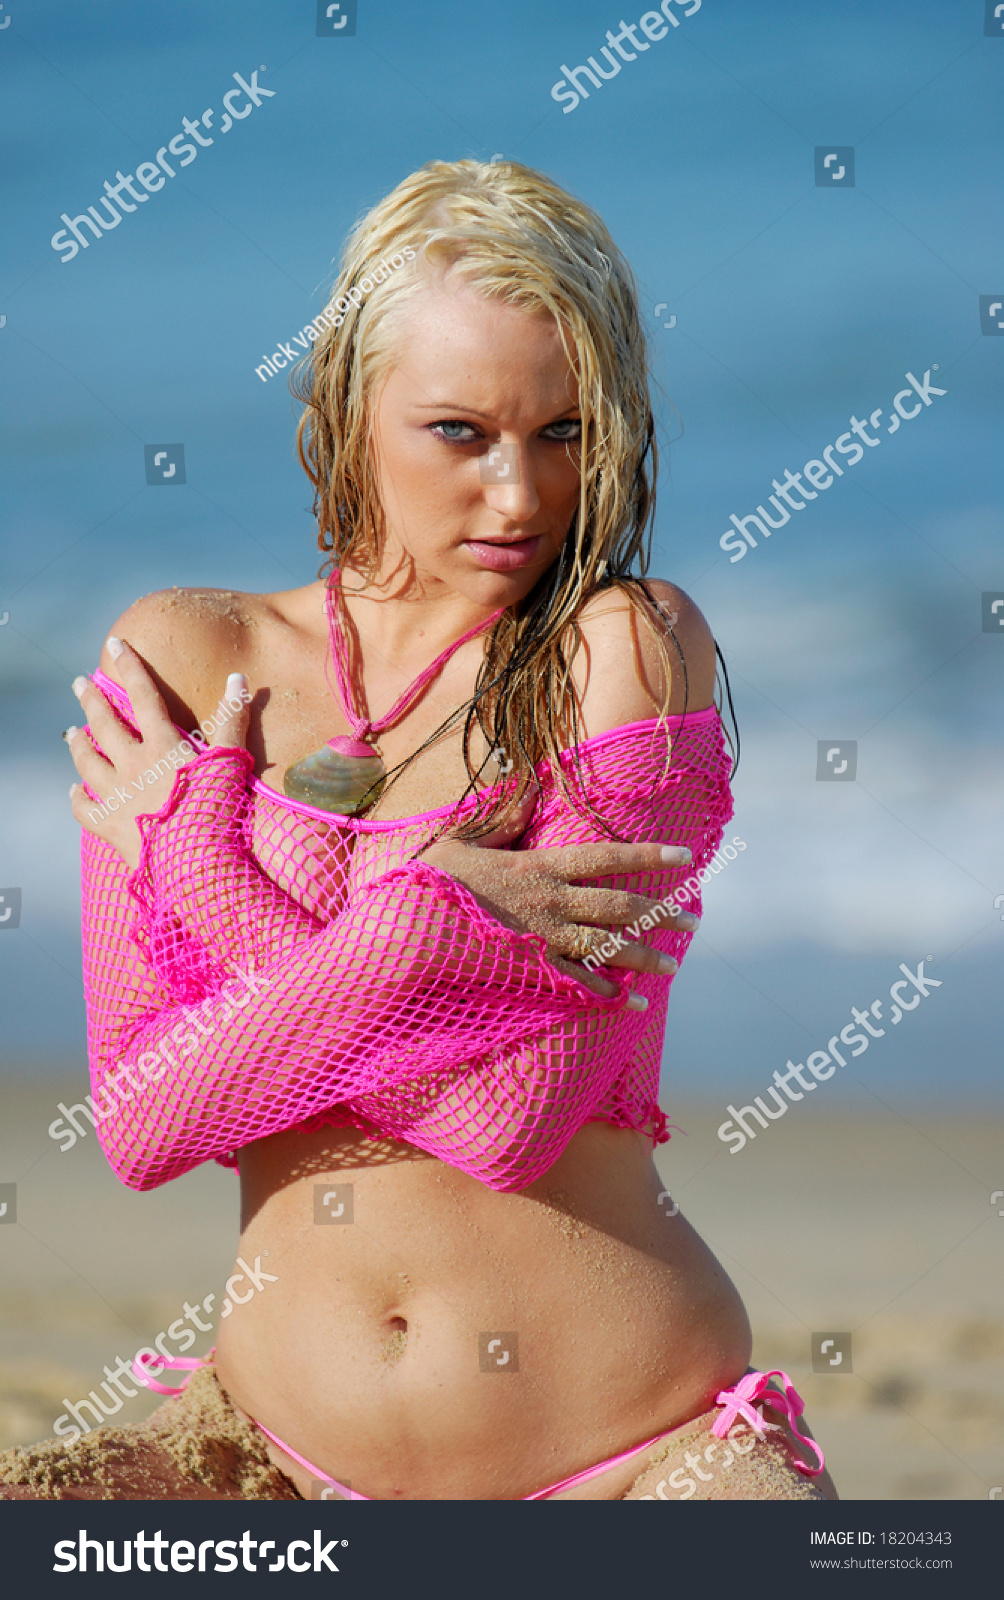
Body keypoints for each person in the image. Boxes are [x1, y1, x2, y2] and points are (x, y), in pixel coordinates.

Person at [1, 159, 834, 1501]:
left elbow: (513, 1117)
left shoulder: (625, 652)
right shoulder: (185, 655)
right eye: (461, 432)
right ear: (349, 406)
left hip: (636, 1459)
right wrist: (409, 940)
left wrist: (215, 882)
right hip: (266, 1456)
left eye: (562, 435)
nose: (517, 499)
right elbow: (147, 1118)